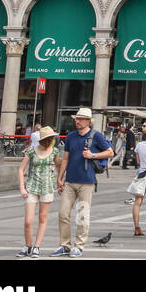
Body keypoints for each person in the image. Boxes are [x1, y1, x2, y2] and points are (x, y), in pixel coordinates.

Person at [49, 108, 113, 257]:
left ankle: (79, 245)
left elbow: (110, 152)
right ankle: (65, 245)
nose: (77, 121)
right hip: (70, 181)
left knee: (82, 215)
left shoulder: (96, 136)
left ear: (88, 121)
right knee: (63, 213)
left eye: (81, 119)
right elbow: (65, 158)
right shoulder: (71, 136)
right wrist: (60, 177)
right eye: (77, 118)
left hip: (87, 181)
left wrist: (93, 155)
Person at [16, 125, 64, 257]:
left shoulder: (54, 152)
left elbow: (60, 165)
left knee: (43, 218)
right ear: (43, 139)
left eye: (52, 139)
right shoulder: (31, 151)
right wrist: (22, 187)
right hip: (32, 187)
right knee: (28, 220)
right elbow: (21, 169)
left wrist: (59, 181)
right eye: (49, 139)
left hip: (47, 187)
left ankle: (37, 246)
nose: (51, 141)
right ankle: (27, 245)